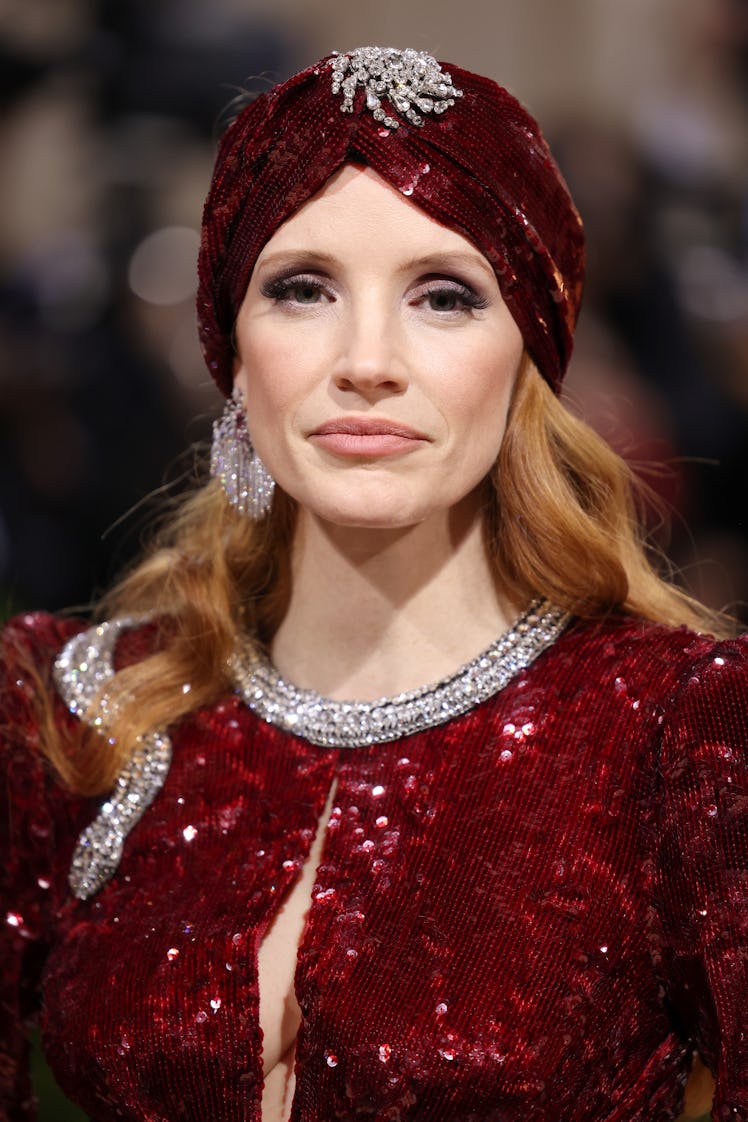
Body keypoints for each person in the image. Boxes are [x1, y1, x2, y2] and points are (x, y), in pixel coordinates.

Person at [1, 45, 746, 1122]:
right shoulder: (78, 715)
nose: (366, 359)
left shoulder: (679, 733)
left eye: (443, 296)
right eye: (301, 289)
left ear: (527, 351)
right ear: (232, 345)